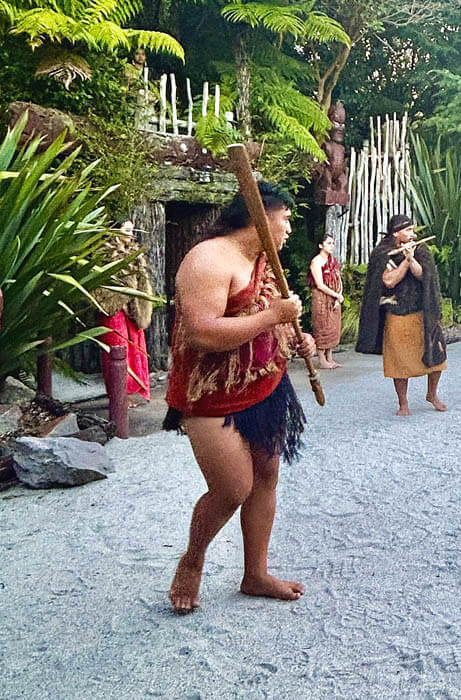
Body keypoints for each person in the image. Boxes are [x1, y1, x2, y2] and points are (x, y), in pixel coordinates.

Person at [163, 181, 316, 613]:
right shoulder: (208, 259)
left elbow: (266, 319)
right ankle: (192, 560)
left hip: (264, 385)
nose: (288, 227)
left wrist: (292, 336)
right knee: (232, 487)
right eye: (284, 217)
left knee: (266, 477)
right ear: (261, 215)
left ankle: (255, 574)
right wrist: (275, 315)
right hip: (210, 394)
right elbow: (203, 332)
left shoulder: (262, 259)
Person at [356, 214, 447, 417]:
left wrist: (412, 258)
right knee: (398, 362)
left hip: (421, 311)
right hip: (396, 312)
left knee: (436, 355)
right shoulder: (383, 254)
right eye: (408, 231)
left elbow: (423, 275)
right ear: (396, 232)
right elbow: (389, 281)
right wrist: (405, 260)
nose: (412, 234)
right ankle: (403, 403)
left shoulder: (420, 250)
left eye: (413, 231)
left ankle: (432, 394)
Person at [94, 220, 154, 402]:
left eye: (132, 229)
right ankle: (120, 397)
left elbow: (142, 281)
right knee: (117, 350)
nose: (131, 233)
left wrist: (137, 304)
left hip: (133, 311)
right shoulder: (104, 253)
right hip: (114, 309)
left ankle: (135, 394)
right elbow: (101, 286)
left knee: (137, 350)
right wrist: (121, 301)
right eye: (127, 230)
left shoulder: (134, 252)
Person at [307, 234, 344, 369]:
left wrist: (339, 295)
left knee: (333, 326)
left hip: (334, 296)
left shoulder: (333, 260)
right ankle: (322, 359)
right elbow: (320, 284)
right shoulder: (316, 262)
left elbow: (338, 279)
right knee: (322, 325)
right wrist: (335, 295)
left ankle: (330, 357)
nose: (331, 246)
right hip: (322, 297)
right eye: (328, 243)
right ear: (320, 246)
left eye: (333, 243)